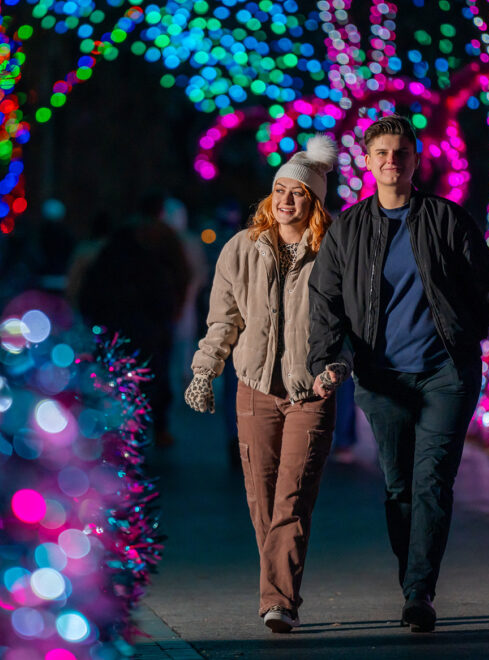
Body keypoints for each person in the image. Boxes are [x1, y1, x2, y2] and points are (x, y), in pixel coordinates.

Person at [308, 115, 489, 633]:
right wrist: (325, 362)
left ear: (416, 161)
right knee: (398, 488)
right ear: (367, 163)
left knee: (432, 482)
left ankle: (419, 592)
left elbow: (488, 291)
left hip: (446, 372)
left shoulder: (447, 220)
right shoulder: (347, 228)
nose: (393, 160)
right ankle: (412, 576)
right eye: (383, 153)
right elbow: (324, 302)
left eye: (402, 153)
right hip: (381, 379)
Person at [184, 135, 341, 633]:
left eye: (297, 192)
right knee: (262, 497)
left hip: (309, 391)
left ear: (314, 200)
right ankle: (279, 590)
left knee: (293, 497)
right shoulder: (242, 248)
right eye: (278, 189)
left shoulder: (333, 249)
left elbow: (355, 317)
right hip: (253, 388)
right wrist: (204, 370)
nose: (286, 199)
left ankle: (278, 601)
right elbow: (223, 319)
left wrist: (340, 363)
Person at [77, 191, 191, 447]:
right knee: (152, 378)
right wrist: (173, 310)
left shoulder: (114, 248)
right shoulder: (163, 242)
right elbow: (179, 276)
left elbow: (91, 288)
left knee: (118, 377)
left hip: (117, 324)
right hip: (150, 324)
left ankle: (122, 432)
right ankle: (146, 429)